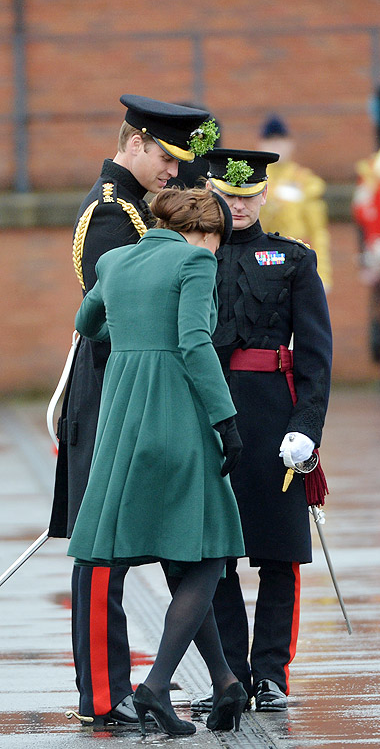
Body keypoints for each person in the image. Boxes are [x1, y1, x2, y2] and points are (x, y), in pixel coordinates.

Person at [48, 95, 219, 726]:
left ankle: (164, 681)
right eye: (168, 159)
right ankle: (104, 690)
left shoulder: (141, 208)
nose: (175, 173)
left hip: (141, 390)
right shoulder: (112, 212)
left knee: (168, 542)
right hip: (111, 392)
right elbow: (113, 315)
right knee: (102, 549)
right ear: (138, 143)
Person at [67, 187, 248, 736]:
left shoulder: (115, 260)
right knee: (210, 553)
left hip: (124, 417)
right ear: (204, 232)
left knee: (186, 558)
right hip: (177, 411)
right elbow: (194, 343)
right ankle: (155, 685)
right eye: (218, 239)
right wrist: (226, 419)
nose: (217, 251)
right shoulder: (194, 260)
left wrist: (129, 337)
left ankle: (224, 684)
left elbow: (85, 322)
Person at [190, 148, 332, 712]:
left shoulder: (293, 259)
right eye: (228, 196)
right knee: (213, 554)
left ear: (265, 196)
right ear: (212, 195)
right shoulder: (190, 259)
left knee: (278, 551)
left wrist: (307, 428)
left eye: (249, 196)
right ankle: (229, 674)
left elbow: (316, 356)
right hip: (207, 412)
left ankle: (271, 673)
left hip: (275, 413)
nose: (240, 206)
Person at [258, 114, 333, 290]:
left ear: (290, 143)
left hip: (297, 260)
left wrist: (323, 274)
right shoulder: (254, 182)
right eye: (270, 141)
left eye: (281, 140)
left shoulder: (305, 182)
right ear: (261, 145)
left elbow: (318, 231)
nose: (276, 145)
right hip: (264, 261)